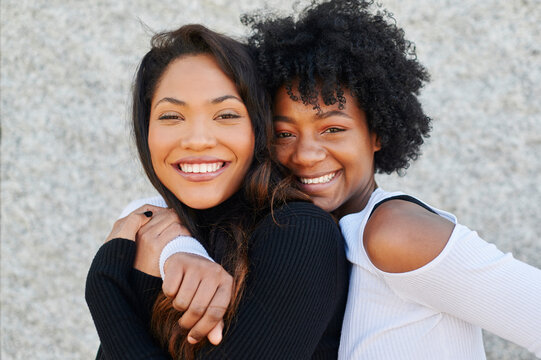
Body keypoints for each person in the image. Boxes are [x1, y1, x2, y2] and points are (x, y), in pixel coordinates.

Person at [158, 0, 541, 359]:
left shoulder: (394, 234)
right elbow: (152, 213)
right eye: (284, 134)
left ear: (377, 134)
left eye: (332, 129)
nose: (306, 154)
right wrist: (175, 246)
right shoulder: (293, 229)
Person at [85, 24, 349, 359]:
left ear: (258, 127)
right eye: (171, 116)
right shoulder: (160, 236)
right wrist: (161, 257)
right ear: (145, 129)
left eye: (225, 114)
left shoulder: (298, 232)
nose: (197, 139)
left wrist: (105, 286)